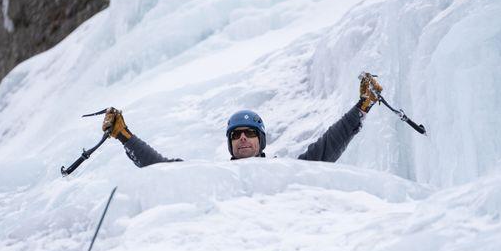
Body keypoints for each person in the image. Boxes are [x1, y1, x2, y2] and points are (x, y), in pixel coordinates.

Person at [102, 73, 382, 167]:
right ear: (230, 143)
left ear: (260, 140)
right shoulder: (215, 177)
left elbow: (326, 148)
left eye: (249, 133)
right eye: (236, 135)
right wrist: (125, 136)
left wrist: (361, 108)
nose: (243, 138)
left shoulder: (285, 172)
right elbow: (160, 169)